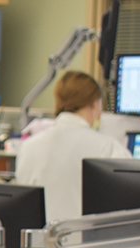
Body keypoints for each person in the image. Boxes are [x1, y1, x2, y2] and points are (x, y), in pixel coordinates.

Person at [15, 70, 132, 222]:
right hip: (85, 242)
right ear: (95, 104)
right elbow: (130, 199)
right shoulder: (108, 147)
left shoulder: (28, 147)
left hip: (40, 242)